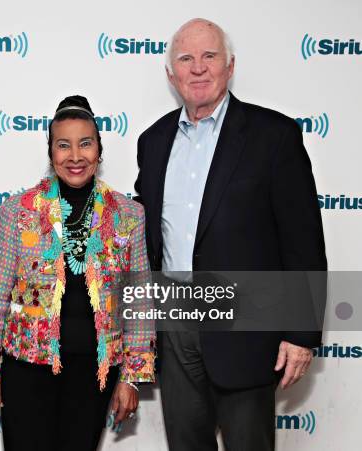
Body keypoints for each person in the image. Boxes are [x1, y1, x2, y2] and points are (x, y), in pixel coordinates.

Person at [135, 18, 326, 451]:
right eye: (186, 59)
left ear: (230, 66)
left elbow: (303, 241)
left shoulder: (273, 136)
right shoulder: (154, 140)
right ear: (171, 74)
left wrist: (301, 331)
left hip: (246, 330)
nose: (198, 68)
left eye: (209, 56)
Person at [0, 95, 155, 451]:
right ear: (51, 152)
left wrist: (132, 376)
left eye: (85, 143)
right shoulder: (18, 211)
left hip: (93, 374)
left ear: (100, 149)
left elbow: (139, 301)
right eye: (63, 145)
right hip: (26, 368)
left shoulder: (128, 215)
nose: (75, 156)